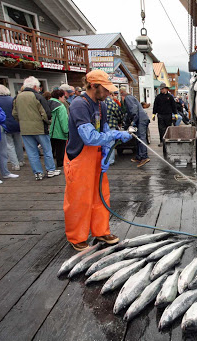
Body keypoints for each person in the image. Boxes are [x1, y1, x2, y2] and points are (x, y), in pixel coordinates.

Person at [63, 69, 132, 251]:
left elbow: (104, 129)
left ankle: (101, 230)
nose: (109, 93)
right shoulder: (79, 105)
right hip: (79, 157)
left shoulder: (100, 104)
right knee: (79, 199)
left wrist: (107, 152)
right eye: (106, 89)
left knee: (101, 196)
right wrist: (115, 134)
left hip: (96, 155)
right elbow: (89, 137)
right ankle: (77, 237)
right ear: (93, 86)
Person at [12, 76, 61, 181]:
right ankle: (50, 170)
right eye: (39, 87)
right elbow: (46, 113)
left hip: (25, 129)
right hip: (39, 128)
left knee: (31, 152)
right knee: (47, 150)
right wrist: (48, 122)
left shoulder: (17, 97)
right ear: (35, 87)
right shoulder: (38, 97)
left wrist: (22, 122)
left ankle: (38, 173)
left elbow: (15, 114)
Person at [0, 84, 24, 171]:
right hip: (16, 124)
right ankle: (21, 160)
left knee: (9, 145)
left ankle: (15, 164)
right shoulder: (12, 99)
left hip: (4, 125)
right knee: (18, 143)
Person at [121, 87, 150, 167]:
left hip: (141, 119)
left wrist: (133, 122)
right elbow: (128, 113)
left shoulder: (127, 98)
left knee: (141, 138)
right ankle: (139, 156)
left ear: (122, 94)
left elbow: (133, 110)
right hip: (140, 119)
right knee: (137, 138)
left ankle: (144, 157)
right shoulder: (130, 97)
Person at [49, 89, 69, 168]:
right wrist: (67, 131)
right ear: (60, 97)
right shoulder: (61, 107)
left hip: (50, 132)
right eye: (63, 97)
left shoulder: (47, 103)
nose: (64, 99)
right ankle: (60, 164)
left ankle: (50, 165)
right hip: (60, 133)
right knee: (60, 151)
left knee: (51, 150)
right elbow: (63, 121)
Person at [105, 91, 124, 165]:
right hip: (111, 126)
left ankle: (103, 160)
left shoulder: (99, 101)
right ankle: (110, 161)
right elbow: (119, 114)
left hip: (100, 127)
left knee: (103, 144)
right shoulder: (112, 103)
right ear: (111, 95)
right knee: (110, 144)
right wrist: (120, 122)